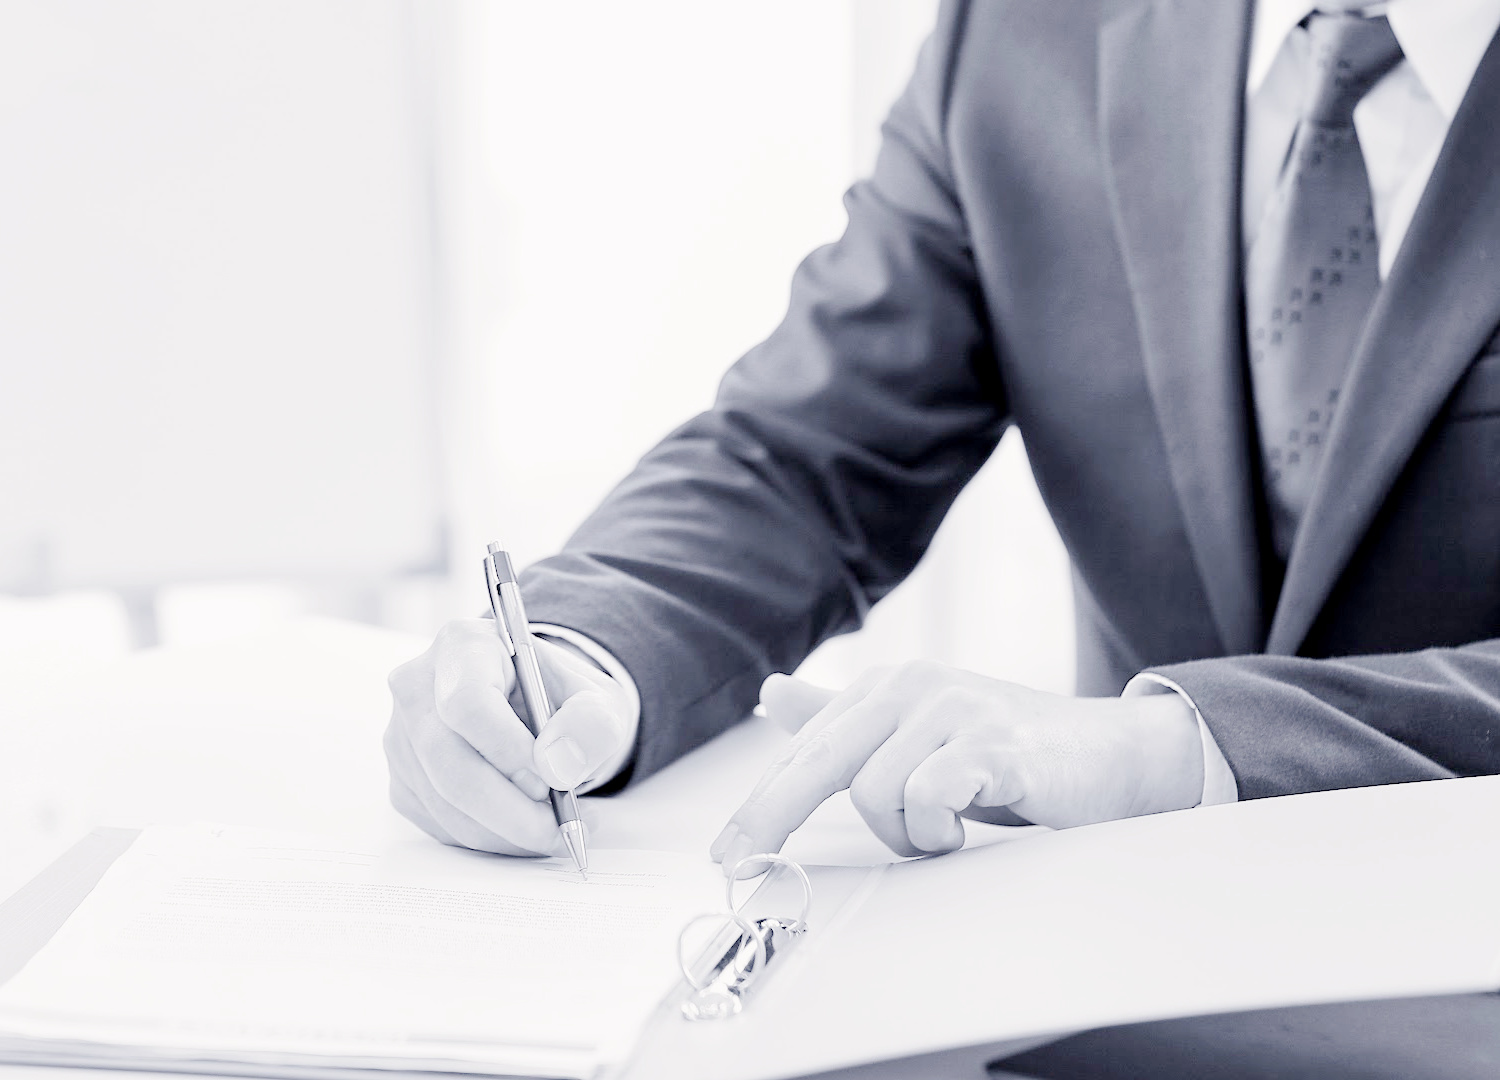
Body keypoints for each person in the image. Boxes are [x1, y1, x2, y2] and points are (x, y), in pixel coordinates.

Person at [386, 0, 1500, 870]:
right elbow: (808, 452)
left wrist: (1183, 744)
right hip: (1111, 988)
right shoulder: (1027, 30)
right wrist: (577, 655)